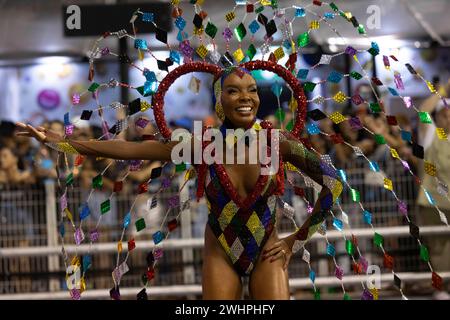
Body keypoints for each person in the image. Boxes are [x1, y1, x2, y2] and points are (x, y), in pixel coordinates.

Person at [16, 66, 342, 299]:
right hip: (221, 250)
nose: (245, 98)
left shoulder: (277, 142)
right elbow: (131, 149)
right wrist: (63, 142)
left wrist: (296, 239)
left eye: (251, 90)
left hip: (268, 249)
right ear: (219, 100)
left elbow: (334, 183)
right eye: (233, 90)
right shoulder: (202, 143)